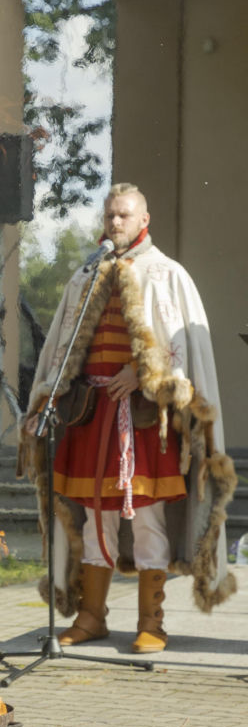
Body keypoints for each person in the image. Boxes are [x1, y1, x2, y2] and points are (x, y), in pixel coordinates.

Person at [18, 183, 237, 653]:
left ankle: (151, 623)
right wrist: (46, 402)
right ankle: (91, 616)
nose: (115, 223)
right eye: (110, 215)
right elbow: (61, 349)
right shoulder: (84, 275)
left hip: (144, 420)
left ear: (144, 220)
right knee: (95, 517)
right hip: (89, 417)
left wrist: (144, 372)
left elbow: (182, 352)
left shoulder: (167, 275)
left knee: (148, 520)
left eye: (124, 215)